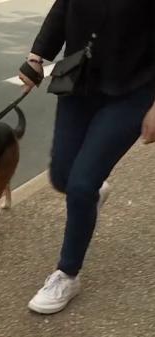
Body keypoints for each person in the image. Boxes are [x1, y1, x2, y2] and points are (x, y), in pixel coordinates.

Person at [18, 0, 155, 314]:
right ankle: (91, 194)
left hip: (131, 92)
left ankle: (67, 274)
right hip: (77, 79)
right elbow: (63, 8)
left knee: (81, 185)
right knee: (62, 177)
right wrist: (37, 57)